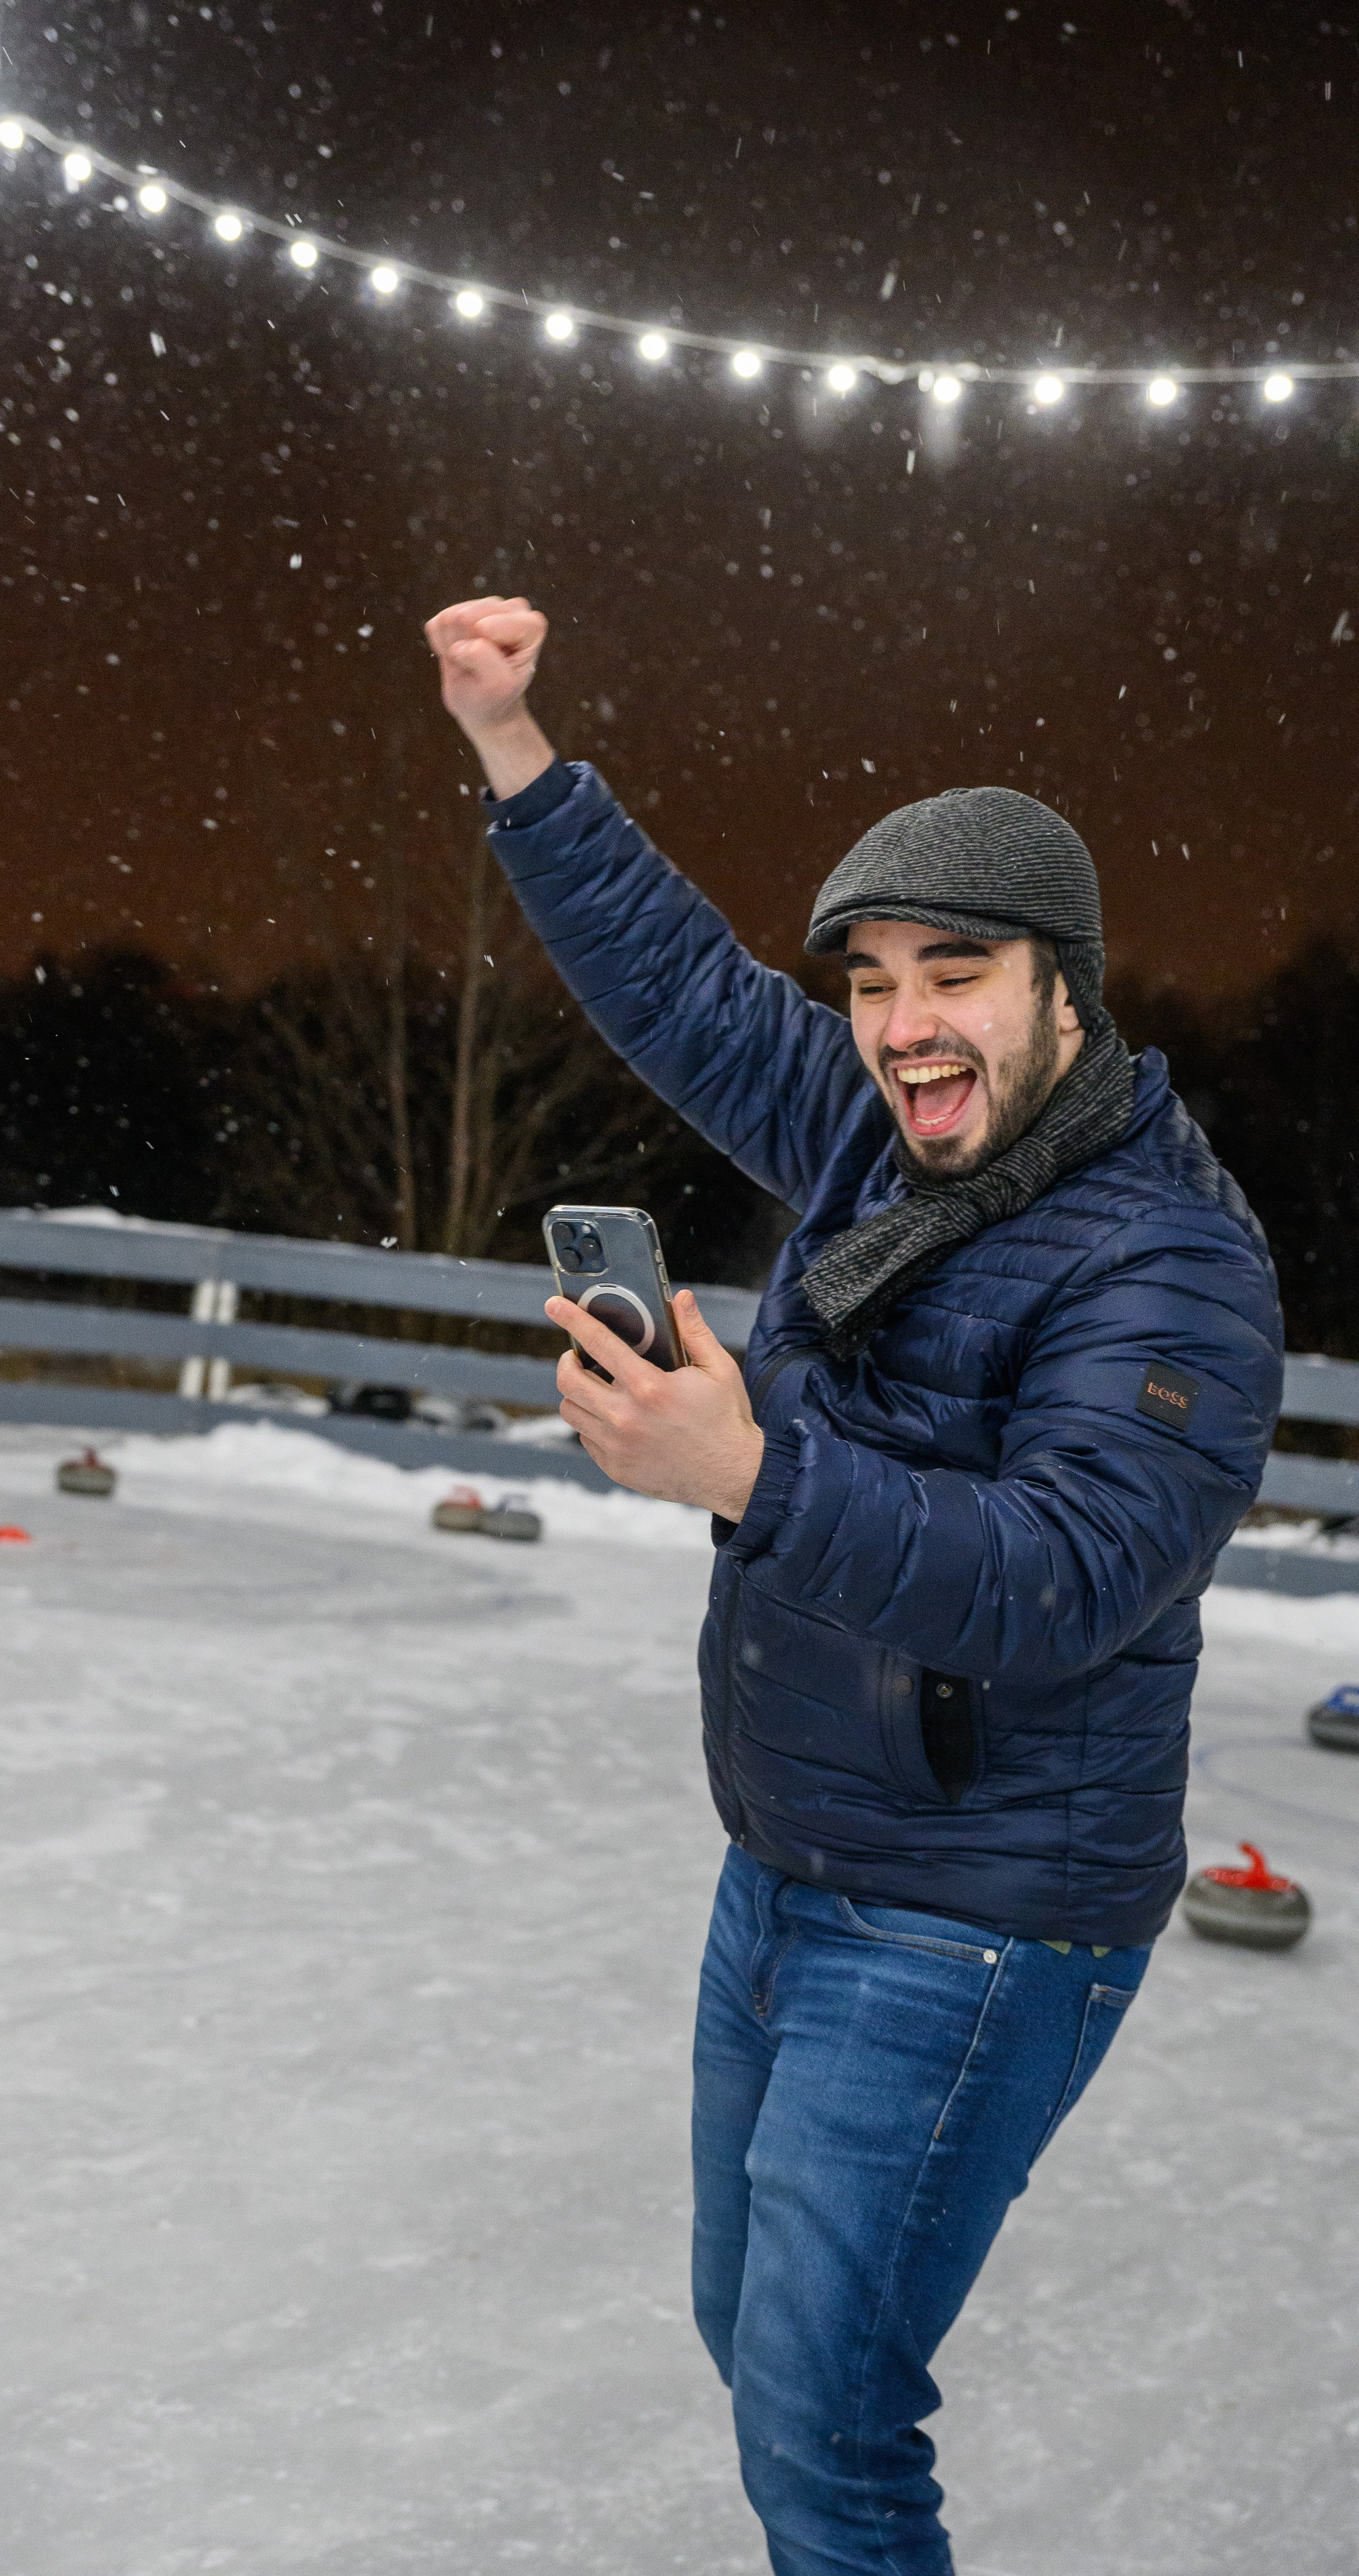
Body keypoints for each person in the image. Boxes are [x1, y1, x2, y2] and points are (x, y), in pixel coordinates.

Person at [423, 596, 1285, 2576]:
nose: (901, 1024)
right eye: (875, 980)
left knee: (824, 2418)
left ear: (1062, 990)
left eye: (954, 974)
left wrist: (746, 1467)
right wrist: (514, 742)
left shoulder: (1167, 1264)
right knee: (758, 2344)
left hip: (976, 1925)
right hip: (791, 1867)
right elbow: (683, 993)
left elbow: (1064, 1572)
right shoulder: (880, 1148)